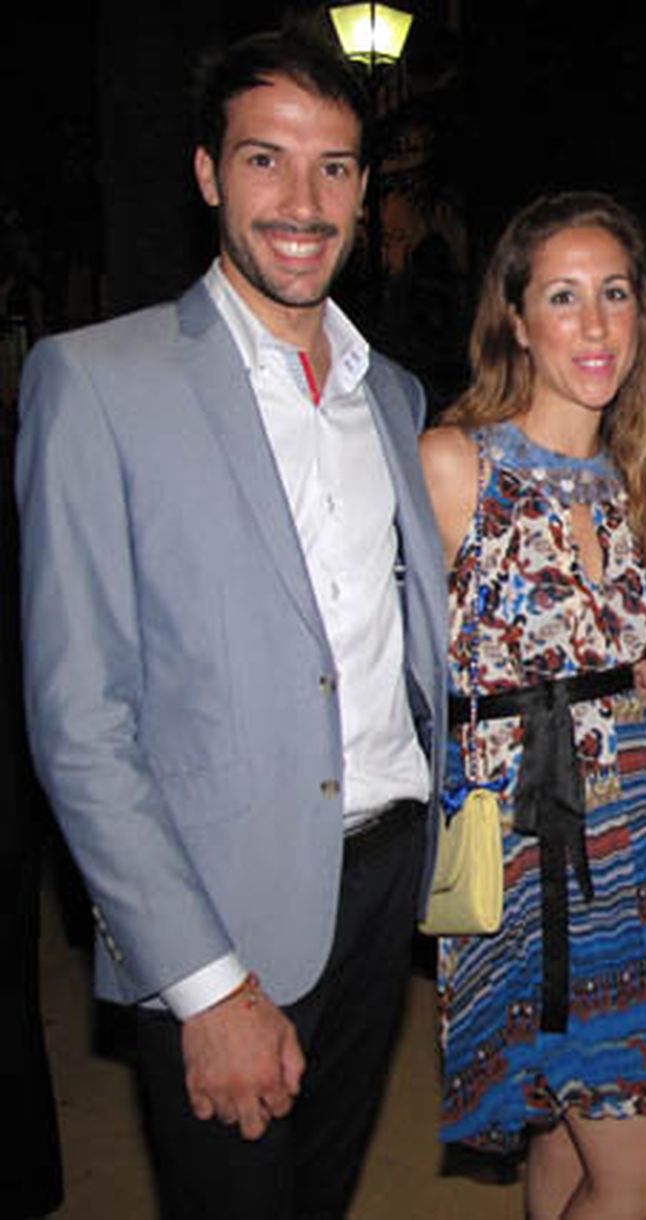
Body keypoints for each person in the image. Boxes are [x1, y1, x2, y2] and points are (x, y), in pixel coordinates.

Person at [15, 30, 447, 1219]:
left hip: (381, 885)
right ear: (208, 172)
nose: (303, 202)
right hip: (221, 908)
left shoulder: (390, 394)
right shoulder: (97, 381)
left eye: (335, 167)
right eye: (267, 160)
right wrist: (203, 984)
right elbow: (79, 724)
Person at [418, 193, 646, 1219]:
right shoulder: (454, 464)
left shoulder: (638, 477)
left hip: (641, 841)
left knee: (568, 1151)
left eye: (614, 294)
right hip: (526, 860)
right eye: (562, 297)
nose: (594, 325)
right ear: (515, 318)